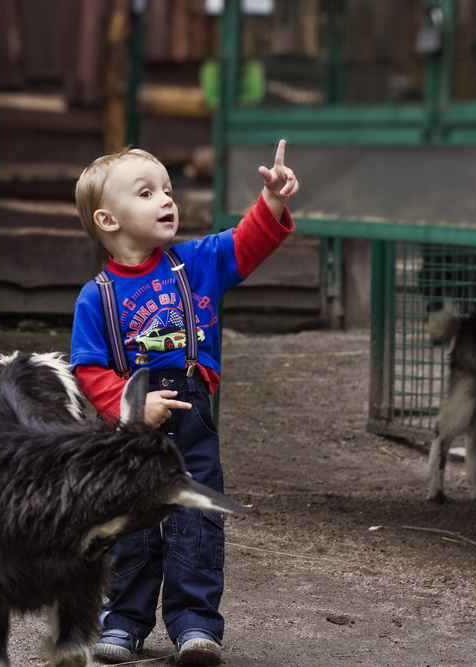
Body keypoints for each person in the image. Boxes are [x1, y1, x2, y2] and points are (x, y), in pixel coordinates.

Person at [69, 139, 298, 666]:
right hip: (128, 434)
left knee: (197, 519)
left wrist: (273, 202)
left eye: (167, 190)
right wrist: (132, 409)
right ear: (108, 219)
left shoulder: (194, 265)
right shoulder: (96, 295)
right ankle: (122, 622)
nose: (166, 200)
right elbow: (89, 368)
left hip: (193, 421)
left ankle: (195, 624)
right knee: (129, 524)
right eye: (147, 193)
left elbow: (244, 243)